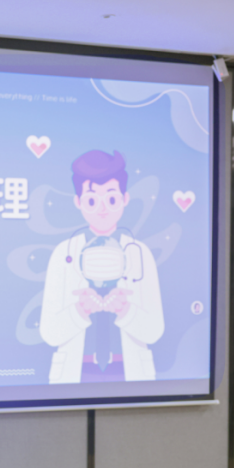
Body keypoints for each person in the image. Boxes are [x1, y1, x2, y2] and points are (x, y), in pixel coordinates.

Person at [39, 151, 163, 384]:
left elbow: (155, 329)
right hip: (74, 374)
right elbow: (49, 332)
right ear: (78, 202)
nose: (102, 209)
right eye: (92, 201)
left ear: (125, 199)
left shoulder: (139, 253)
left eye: (112, 199)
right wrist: (79, 310)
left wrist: (126, 311)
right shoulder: (63, 253)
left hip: (131, 373)